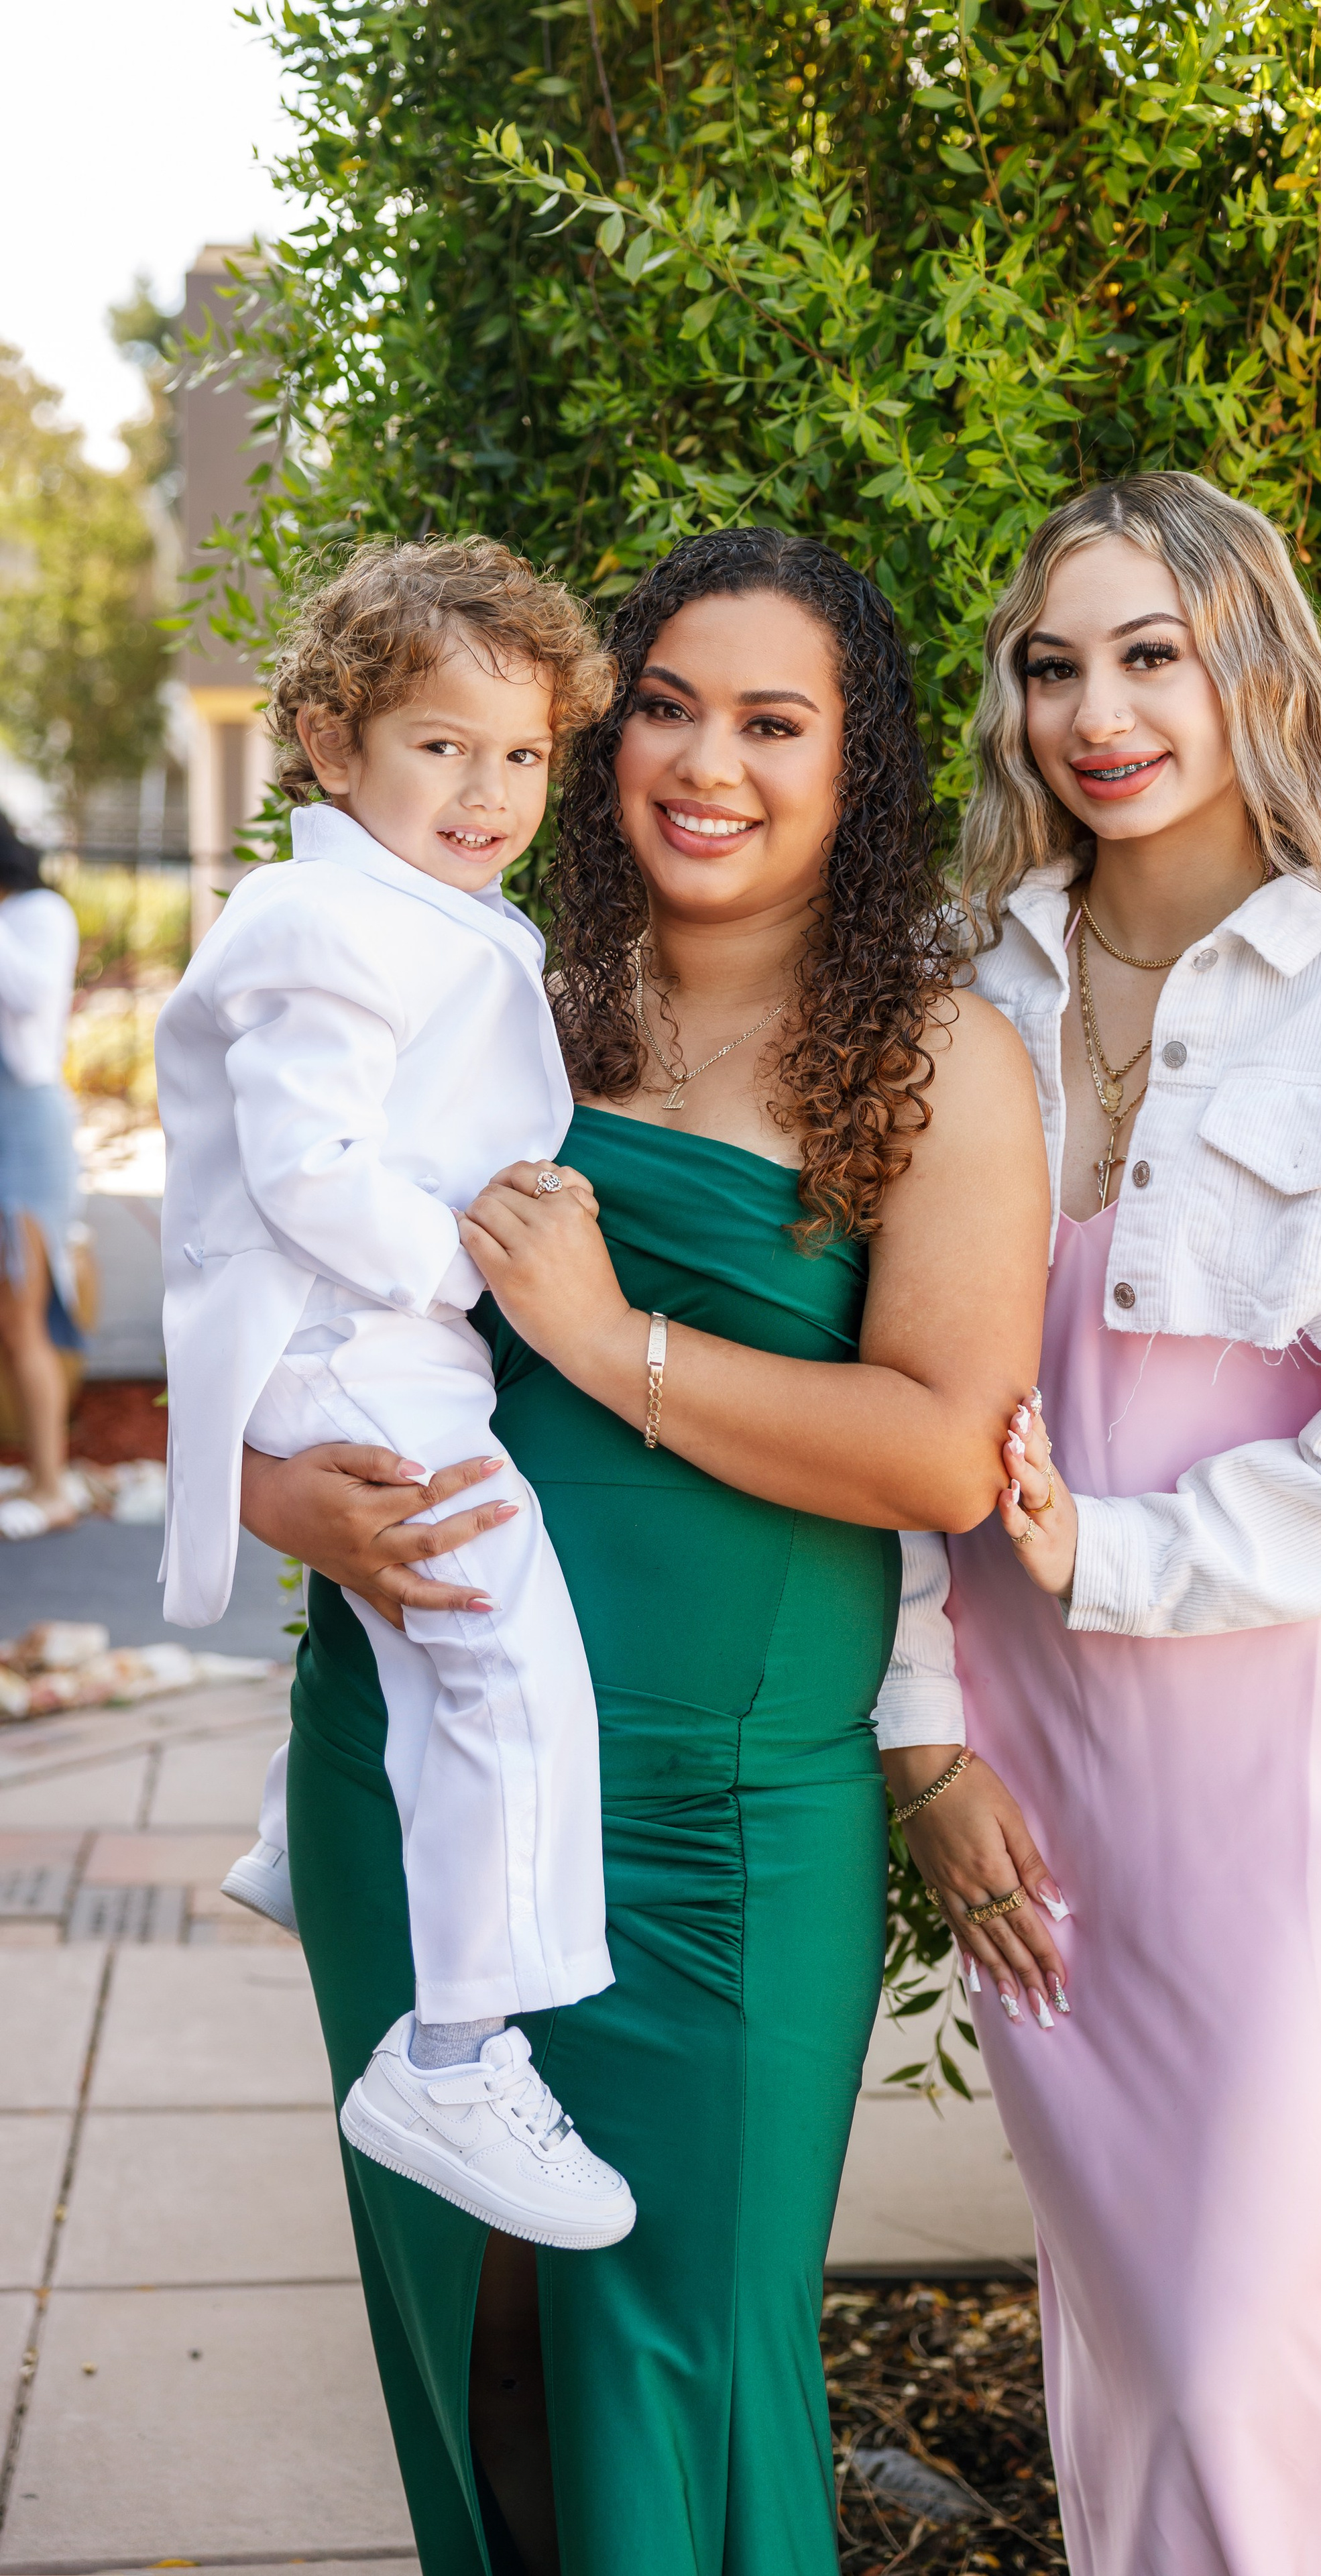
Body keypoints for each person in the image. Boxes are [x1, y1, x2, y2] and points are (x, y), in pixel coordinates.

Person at [234, 526, 1056, 2575]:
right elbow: (279, 1277)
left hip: (722, 1830)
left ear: (856, 766)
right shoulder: (495, 981)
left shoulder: (939, 1057)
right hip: (417, 1780)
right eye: (667, 706)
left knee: (676, 2350)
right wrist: (277, 1496)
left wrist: (611, 1340)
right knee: (480, 2348)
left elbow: (945, 1446)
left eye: (772, 722)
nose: (706, 762)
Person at [888, 471, 1321, 2573]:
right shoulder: (953, 998)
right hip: (1035, 1769)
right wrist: (924, 1738)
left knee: (1255, 2317)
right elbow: (887, 1409)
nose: (1098, 708)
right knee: (1148, 2338)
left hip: (1285, 1779)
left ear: (1252, 667)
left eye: (1149, 651)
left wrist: (1120, 1549)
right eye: (1052, 662)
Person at [156, 537, 634, 2253]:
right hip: (345, 1328)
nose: (489, 787)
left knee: (438, 1630)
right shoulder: (320, 916)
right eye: (442, 744)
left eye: (522, 754)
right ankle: (453, 2047)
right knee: (504, 1642)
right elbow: (307, 1163)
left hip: (386, 1328)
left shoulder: (435, 910)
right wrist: (475, 1263)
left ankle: (304, 1844)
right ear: (326, 737)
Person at [0, 810, 84, 1540]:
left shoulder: (39, 913)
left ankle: (54, 1486)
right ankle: (32, 1472)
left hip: (24, 1130)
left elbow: (28, 999)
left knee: (21, 1313)